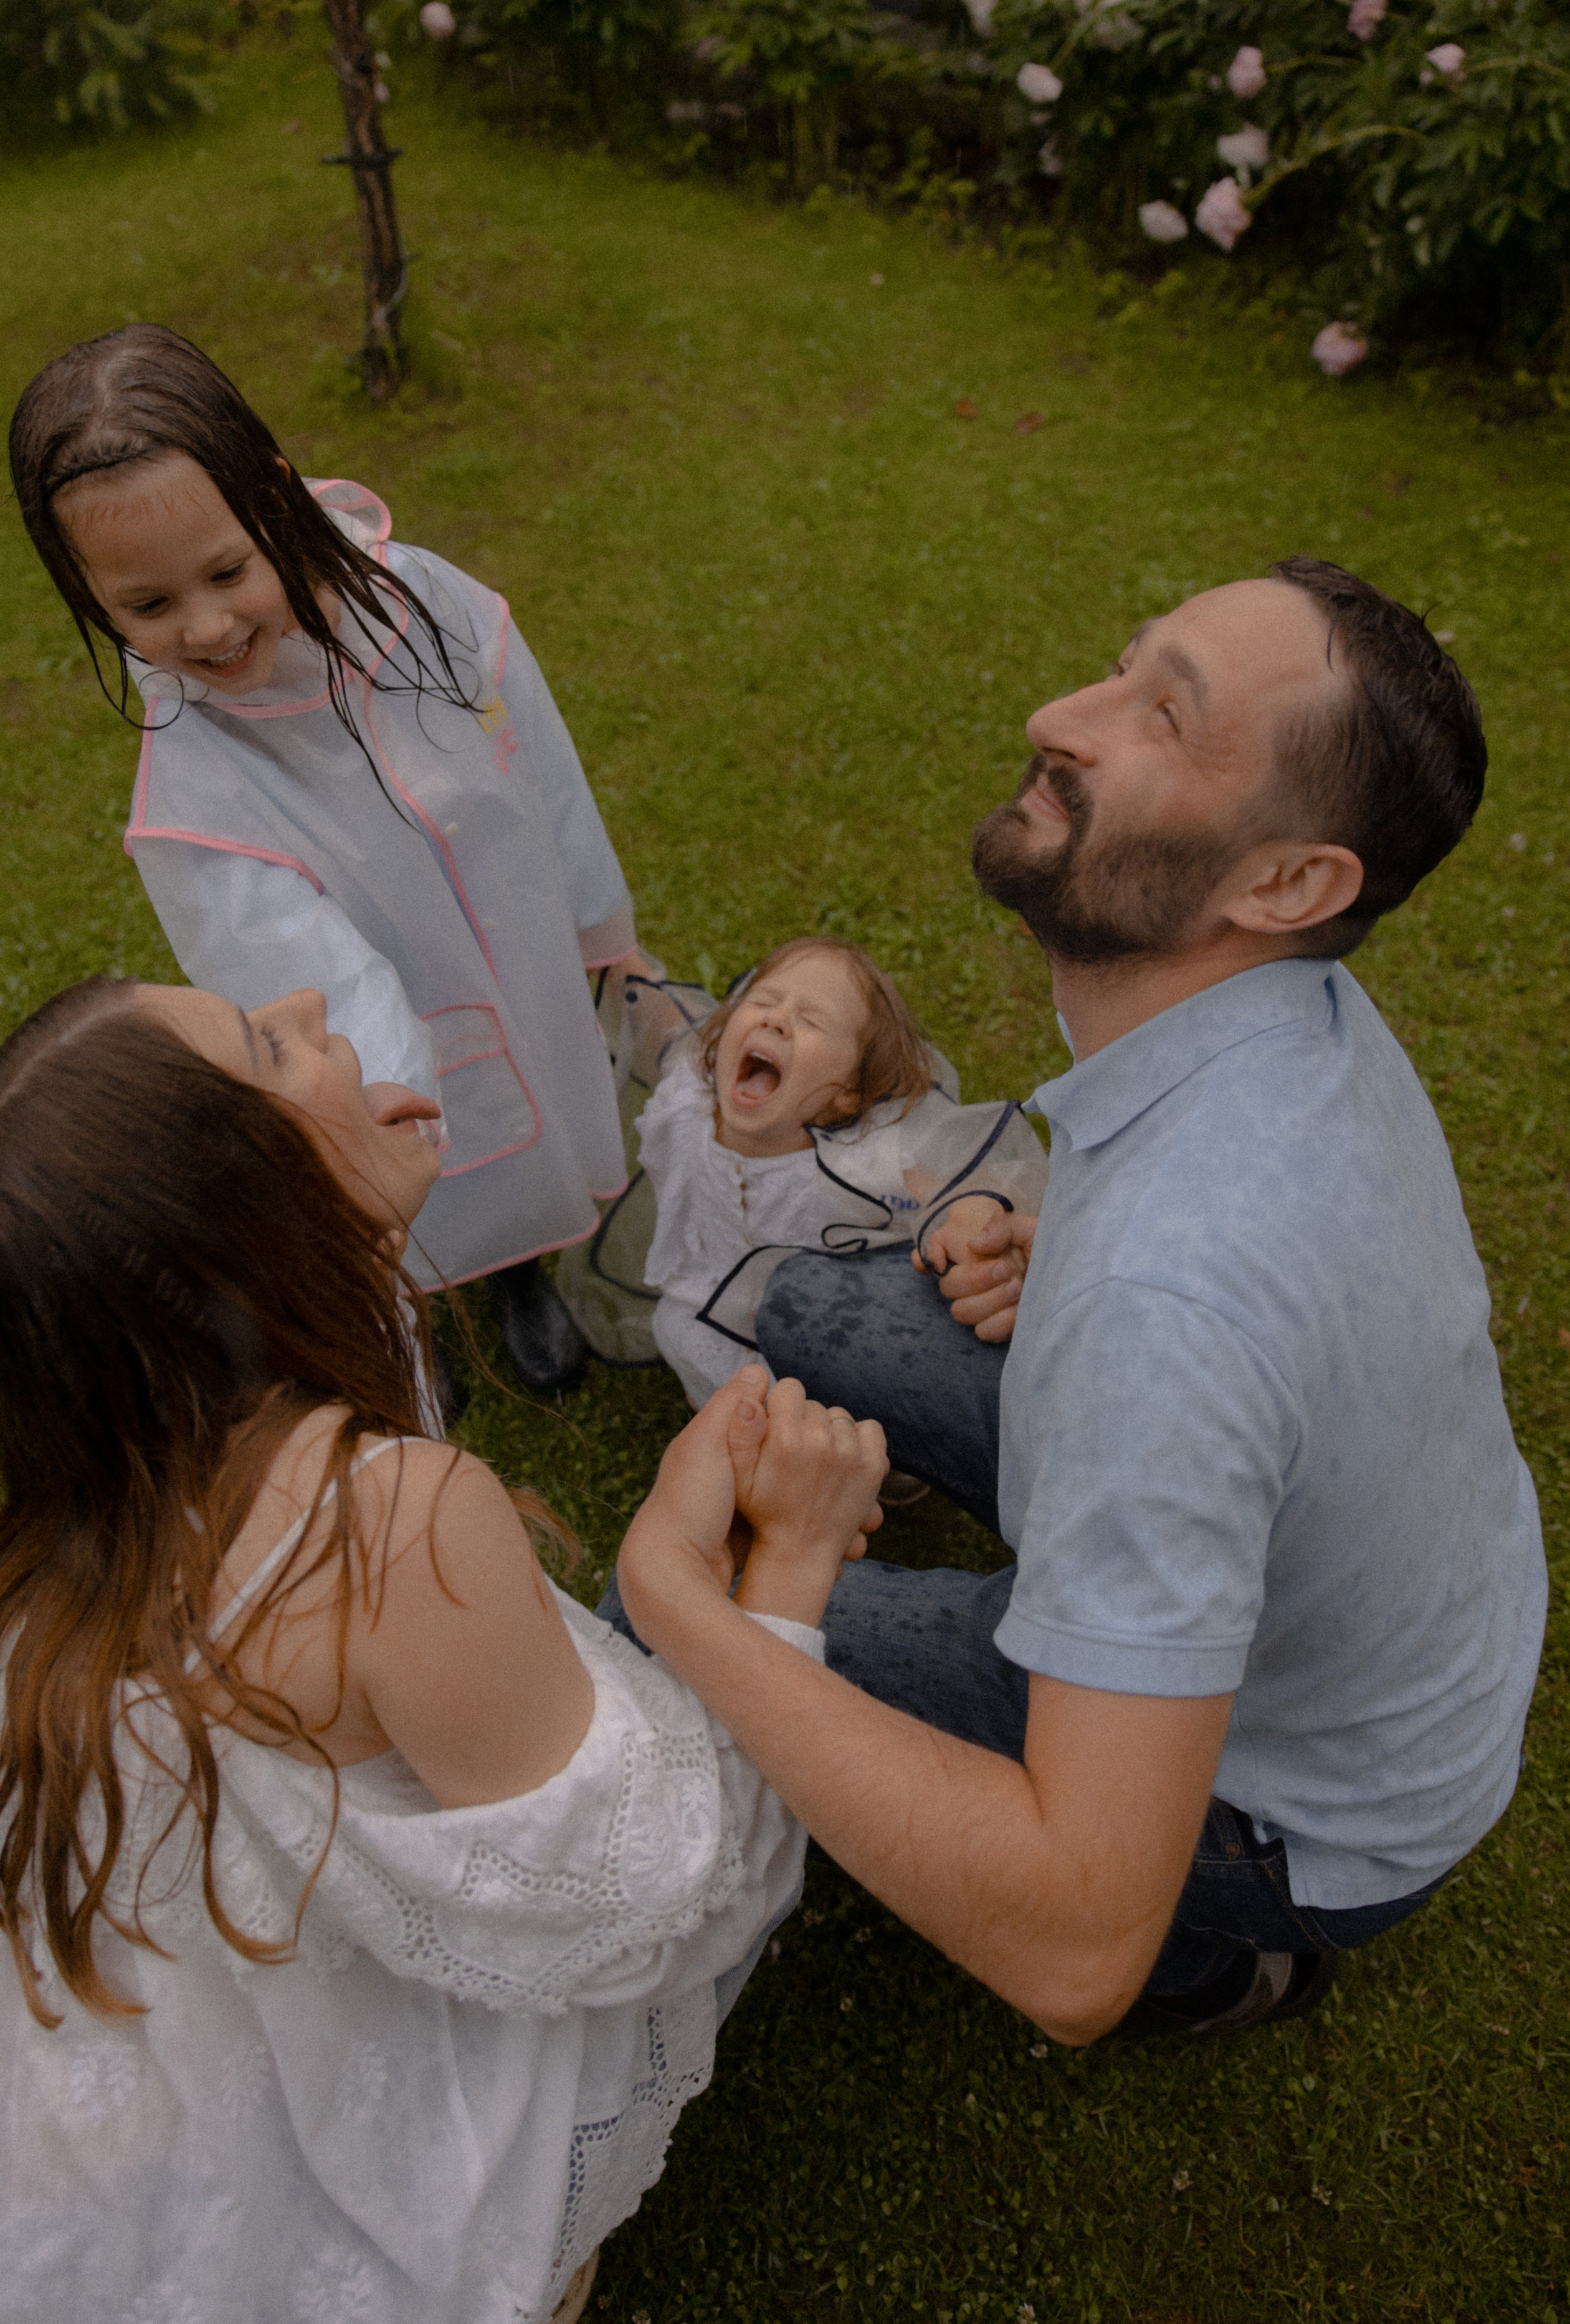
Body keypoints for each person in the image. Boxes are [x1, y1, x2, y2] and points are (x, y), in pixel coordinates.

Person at [614, 559, 1549, 2044]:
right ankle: (1095, 1623)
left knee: (659, 1611)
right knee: (805, 1310)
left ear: (1284, 883)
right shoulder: (1287, 1008)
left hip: (1295, 1805)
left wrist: (681, 1593)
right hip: (1345, 1592)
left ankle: (1229, 1950)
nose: (1059, 716)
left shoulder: (1167, 1308)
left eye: (1159, 720)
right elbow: (1247, 1295)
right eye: (1122, 666)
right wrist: (1050, 1240)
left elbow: (1071, 1950)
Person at [0, 975, 886, 2324]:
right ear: (243, 1208)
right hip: (306, 2122)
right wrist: (779, 1563)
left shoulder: (80, 1517)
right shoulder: (386, 1524)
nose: (299, 998)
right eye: (267, 1045)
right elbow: (670, 1896)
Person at [7, 323, 645, 1396]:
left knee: (534, 1101)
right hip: (383, 1016)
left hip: (508, 943)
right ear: (87, 593)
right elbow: (296, 973)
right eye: (148, 606)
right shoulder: (195, 790)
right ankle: (421, 1301)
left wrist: (588, 918)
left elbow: (539, 769)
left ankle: (522, 1270)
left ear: (276, 497)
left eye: (226, 571)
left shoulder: (431, 612)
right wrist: (383, 1100)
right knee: (406, 1168)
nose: (208, 629)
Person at [637, 936, 1047, 1408]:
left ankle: (855, 1455)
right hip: (713, 1296)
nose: (777, 1019)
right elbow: (665, 1031)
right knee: (673, 1324)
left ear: (848, 1094)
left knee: (839, 1391)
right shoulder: (686, 1107)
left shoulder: (857, 1159)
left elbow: (954, 1183)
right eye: (763, 1001)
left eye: (812, 1021)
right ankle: (740, 1423)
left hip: (824, 1317)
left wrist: (972, 1219)